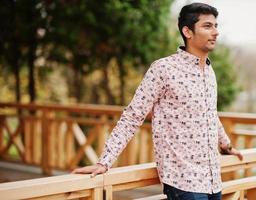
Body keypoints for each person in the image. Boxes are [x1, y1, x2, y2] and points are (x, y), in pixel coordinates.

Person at [72, 2, 243, 200]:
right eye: (207, 26)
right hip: (183, 182)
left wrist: (227, 146)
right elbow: (132, 116)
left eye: (216, 26)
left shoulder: (209, 72)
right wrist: (105, 161)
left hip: (213, 180)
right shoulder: (163, 69)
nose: (215, 32)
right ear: (187, 31)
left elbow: (209, 114)